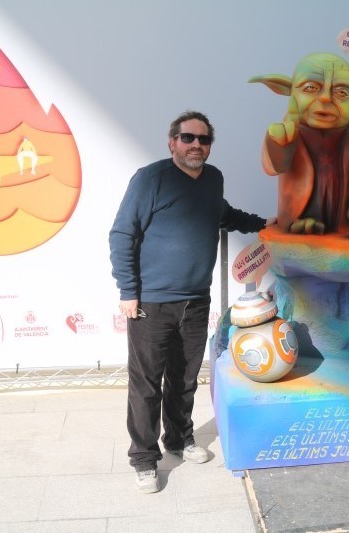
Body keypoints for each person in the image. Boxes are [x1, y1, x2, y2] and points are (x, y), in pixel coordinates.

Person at [109, 110, 271, 493]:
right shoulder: (151, 179)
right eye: (188, 138)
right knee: (147, 384)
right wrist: (128, 291)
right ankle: (144, 459)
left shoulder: (213, 179)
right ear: (172, 142)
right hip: (151, 303)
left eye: (203, 139)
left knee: (184, 380)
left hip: (196, 301)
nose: (196, 145)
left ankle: (179, 440)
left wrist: (265, 224)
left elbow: (222, 214)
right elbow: (122, 233)